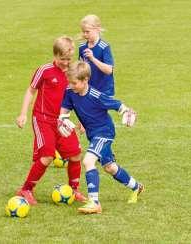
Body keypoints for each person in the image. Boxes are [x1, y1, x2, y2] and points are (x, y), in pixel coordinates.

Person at [58, 61, 144, 214]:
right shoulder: (70, 91)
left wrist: (126, 112)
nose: (71, 86)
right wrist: (63, 118)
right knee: (110, 167)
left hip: (104, 132)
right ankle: (137, 187)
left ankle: (94, 202)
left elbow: (116, 104)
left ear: (85, 80)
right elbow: (65, 108)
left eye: (75, 83)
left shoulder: (95, 95)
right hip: (93, 135)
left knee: (88, 160)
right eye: (69, 82)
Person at [15, 36, 86, 205]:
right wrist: (23, 113)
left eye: (69, 59)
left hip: (62, 121)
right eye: (62, 59)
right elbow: (31, 91)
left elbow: (77, 99)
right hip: (42, 119)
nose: (66, 62)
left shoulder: (72, 73)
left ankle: (74, 190)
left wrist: (83, 121)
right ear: (55, 56)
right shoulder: (45, 70)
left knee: (76, 155)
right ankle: (26, 189)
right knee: (47, 156)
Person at [78, 14, 115, 97]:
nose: (85, 34)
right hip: (88, 90)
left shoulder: (104, 47)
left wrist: (93, 59)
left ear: (97, 29)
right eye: (83, 32)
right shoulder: (82, 47)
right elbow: (80, 69)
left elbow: (109, 70)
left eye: (87, 32)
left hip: (104, 90)